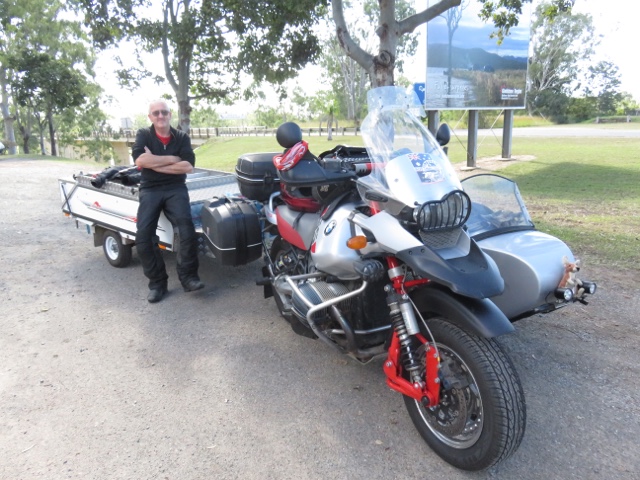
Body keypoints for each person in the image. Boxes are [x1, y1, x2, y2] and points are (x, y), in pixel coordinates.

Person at [132, 100, 204, 303]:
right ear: (150, 117)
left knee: (187, 230)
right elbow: (140, 161)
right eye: (156, 113)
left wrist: (153, 162)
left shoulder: (181, 137)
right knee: (143, 236)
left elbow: (188, 166)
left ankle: (188, 278)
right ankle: (157, 284)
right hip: (150, 188)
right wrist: (173, 158)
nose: (160, 116)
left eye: (164, 112)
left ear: (170, 114)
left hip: (175, 188)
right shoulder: (143, 134)